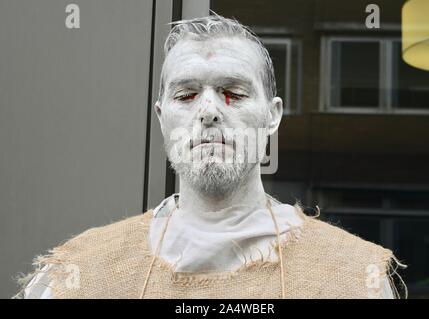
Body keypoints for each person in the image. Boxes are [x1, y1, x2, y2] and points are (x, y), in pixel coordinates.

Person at [17, 13, 405, 299]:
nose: (208, 111)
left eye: (233, 92)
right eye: (186, 96)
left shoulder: (352, 277)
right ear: (162, 118)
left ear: (272, 116)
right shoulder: (81, 274)